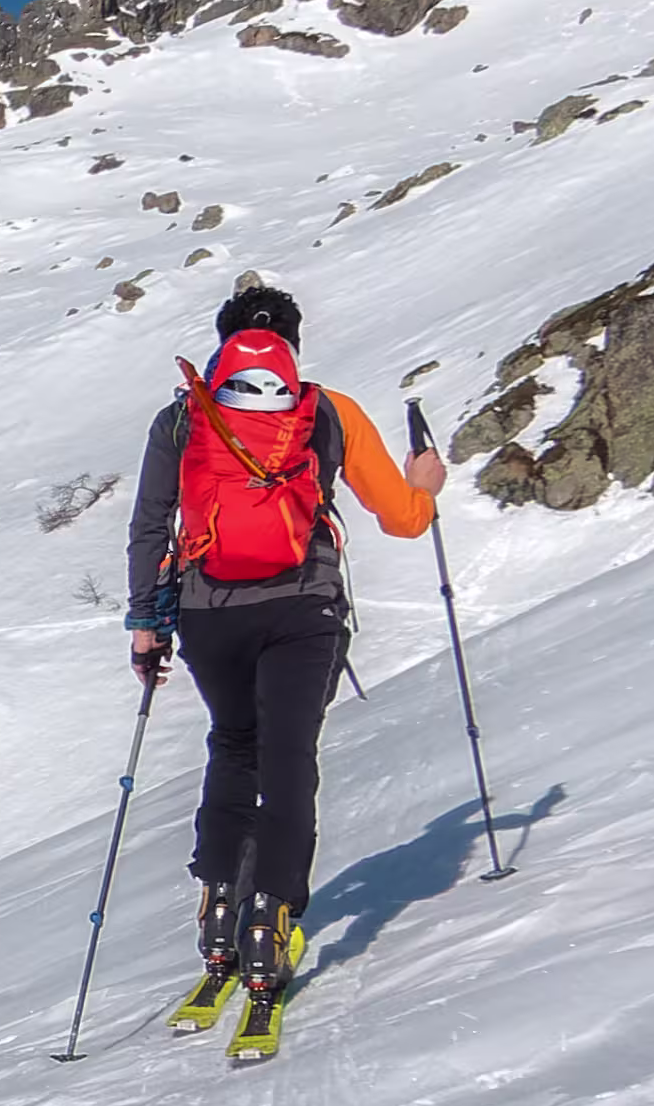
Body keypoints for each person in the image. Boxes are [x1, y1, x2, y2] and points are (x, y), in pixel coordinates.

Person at [120, 281, 447, 995]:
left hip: (210, 613)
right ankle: (270, 919)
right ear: (295, 345)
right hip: (304, 607)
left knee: (234, 746)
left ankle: (217, 909)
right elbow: (403, 519)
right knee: (289, 754)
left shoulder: (183, 420)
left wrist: (147, 625)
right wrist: (425, 482)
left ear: (220, 343)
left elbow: (150, 526)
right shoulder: (326, 411)